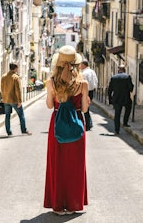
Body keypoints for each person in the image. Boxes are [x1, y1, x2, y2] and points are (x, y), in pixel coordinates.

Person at [44, 45, 89, 215]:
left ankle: (58, 205)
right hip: (77, 125)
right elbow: (84, 109)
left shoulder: (51, 82)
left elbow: (49, 106)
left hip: (57, 124)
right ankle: (73, 205)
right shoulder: (82, 84)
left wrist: (55, 97)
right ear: (76, 64)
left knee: (57, 165)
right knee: (75, 166)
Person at [1, 62, 32, 136]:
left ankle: (9, 132)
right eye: (17, 68)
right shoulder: (15, 77)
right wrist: (19, 101)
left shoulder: (4, 76)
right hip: (14, 99)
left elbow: (2, 88)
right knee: (21, 115)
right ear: (15, 68)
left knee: (7, 116)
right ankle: (23, 130)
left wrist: (3, 98)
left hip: (6, 100)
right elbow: (18, 90)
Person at [108, 64, 134, 135]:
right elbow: (131, 88)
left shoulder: (113, 77)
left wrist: (110, 99)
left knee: (117, 114)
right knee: (128, 108)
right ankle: (125, 122)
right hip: (126, 98)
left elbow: (110, 89)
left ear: (118, 70)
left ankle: (117, 130)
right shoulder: (127, 77)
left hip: (116, 98)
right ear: (124, 70)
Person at [80, 60, 98, 131]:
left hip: (85, 91)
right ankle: (89, 123)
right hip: (91, 91)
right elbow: (96, 81)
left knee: (84, 108)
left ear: (84, 65)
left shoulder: (84, 73)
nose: (80, 66)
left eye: (81, 65)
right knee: (87, 107)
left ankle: (88, 124)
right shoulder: (92, 72)